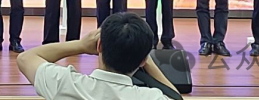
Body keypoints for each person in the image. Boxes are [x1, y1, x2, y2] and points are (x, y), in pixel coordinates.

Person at [16, 12, 181, 100]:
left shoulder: (66, 85)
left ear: (99, 46)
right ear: (143, 60)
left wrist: (81, 45)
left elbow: (25, 58)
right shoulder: (150, 97)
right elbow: (175, 97)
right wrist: (145, 58)